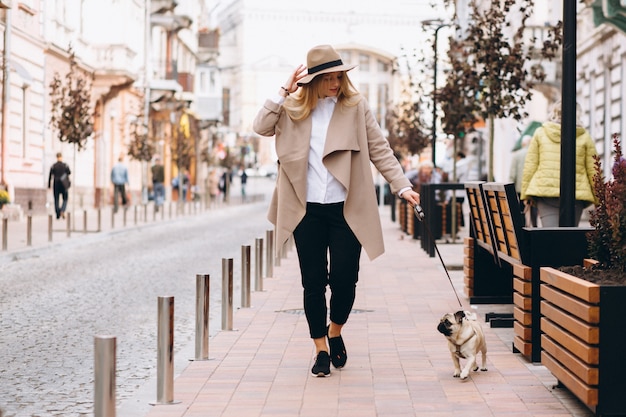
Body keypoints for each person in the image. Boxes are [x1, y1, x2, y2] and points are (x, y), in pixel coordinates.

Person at [253, 44, 420, 377]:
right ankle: (319, 349)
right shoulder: (292, 107)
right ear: (312, 81)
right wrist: (284, 89)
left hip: (346, 208)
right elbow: (261, 126)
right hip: (306, 208)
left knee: (345, 279)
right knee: (313, 282)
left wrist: (402, 186)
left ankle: (336, 330)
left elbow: (379, 149)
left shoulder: (355, 107)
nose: (334, 83)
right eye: (327, 77)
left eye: (338, 76)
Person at [521, 101, 597, 227]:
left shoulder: (540, 133)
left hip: (545, 193)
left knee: (551, 237)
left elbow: (530, 165)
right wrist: (600, 199)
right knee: (568, 238)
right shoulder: (584, 136)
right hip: (575, 195)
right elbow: (593, 169)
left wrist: (525, 194)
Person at [509, 135, 537, 227]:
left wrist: (510, 186)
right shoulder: (536, 154)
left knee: (522, 208)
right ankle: (534, 225)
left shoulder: (517, 155)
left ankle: (523, 226)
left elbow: (512, 173)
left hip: (520, 187)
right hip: (534, 187)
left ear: (523, 144)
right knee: (534, 207)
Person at [48, 152, 71, 220]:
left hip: (56, 184)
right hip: (63, 184)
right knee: (65, 199)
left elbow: (50, 176)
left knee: (56, 199)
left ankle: (58, 214)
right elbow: (69, 172)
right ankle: (62, 210)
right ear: (61, 157)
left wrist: (49, 185)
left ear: (56, 157)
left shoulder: (54, 166)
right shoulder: (65, 165)